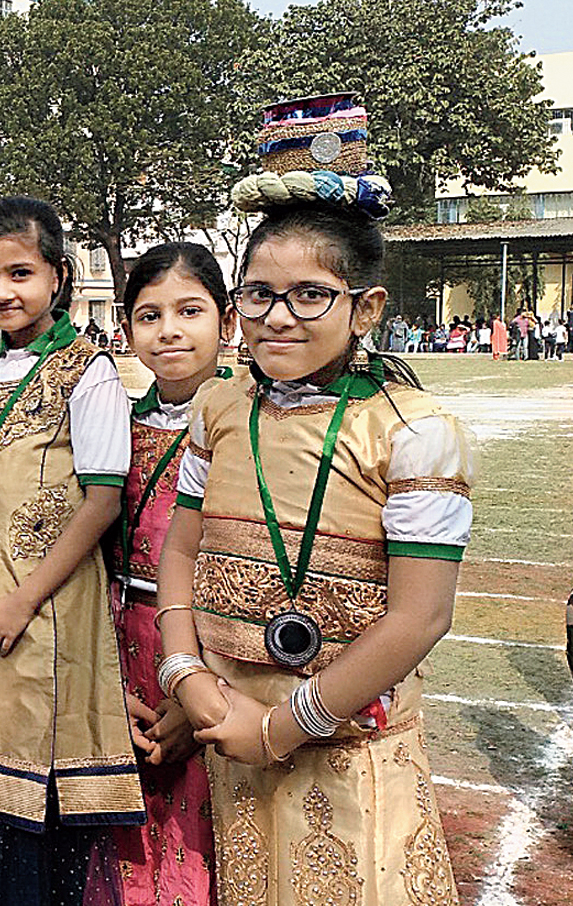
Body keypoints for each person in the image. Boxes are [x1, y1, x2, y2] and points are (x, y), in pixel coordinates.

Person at [155, 95, 474, 905]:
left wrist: (282, 726)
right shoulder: (220, 407)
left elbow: (419, 618)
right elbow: (182, 551)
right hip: (232, 727)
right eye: (259, 294)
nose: (277, 318)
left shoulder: (413, 430)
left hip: (344, 746)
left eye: (308, 296)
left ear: (364, 308)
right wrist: (188, 674)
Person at [0, 196, 144, 906]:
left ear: (58, 275)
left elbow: (102, 501)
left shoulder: (89, 372)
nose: (2, 292)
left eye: (19, 273)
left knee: (40, 776)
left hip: (48, 605)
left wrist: (25, 600)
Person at [100, 242, 236, 906]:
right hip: (120, 653)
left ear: (227, 322)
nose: (170, 331)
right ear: (128, 333)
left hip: (216, 660)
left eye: (190, 310)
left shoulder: (252, 429)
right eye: (149, 316)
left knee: (203, 834)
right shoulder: (116, 426)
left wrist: (195, 693)